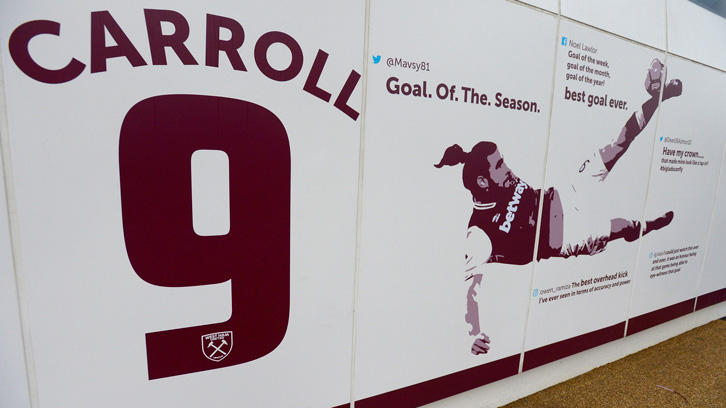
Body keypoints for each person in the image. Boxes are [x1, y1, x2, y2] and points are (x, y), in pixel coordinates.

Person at [435, 59, 682, 355]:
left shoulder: (500, 180)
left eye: (504, 160)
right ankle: (648, 226)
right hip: (570, 236)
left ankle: (657, 96)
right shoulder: (478, 234)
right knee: (623, 226)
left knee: (618, 143)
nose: (509, 169)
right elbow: (469, 292)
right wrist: (472, 333)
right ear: (483, 182)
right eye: (500, 165)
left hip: (566, 190)